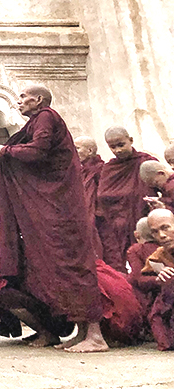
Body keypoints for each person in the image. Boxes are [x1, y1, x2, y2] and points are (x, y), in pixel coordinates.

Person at [0, 85, 106, 352]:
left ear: (39, 100)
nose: (19, 102)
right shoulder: (37, 120)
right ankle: (80, 334)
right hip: (54, 208)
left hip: (61, 209)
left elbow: (38, 151)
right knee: (56, 266)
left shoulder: (46, 116)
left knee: (72, 264)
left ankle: (96, 335)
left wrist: (7, 151)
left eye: (23, 97)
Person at [96, 127, 158, 273]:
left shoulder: (146, 162)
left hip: (144, 222)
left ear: (130, 140)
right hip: (118, 225)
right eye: (113, 147)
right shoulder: (109, 168)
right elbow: (102, 195)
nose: (117, 150)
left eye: (121, 145)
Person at [143, 208, 174, 349]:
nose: (162, 236)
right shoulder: (158, 256)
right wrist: (159, 275)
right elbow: (140, 278)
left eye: (165, 228)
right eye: (155, 232)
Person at [128, 216, 161, 316]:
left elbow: (138, 279)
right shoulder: (165, 247)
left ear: (136, 235)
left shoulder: (136, 250)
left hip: (147, 298)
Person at [76, 136, 104, 221]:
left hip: (99, 218)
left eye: (77, 148)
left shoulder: (101, 169)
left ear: (90, 151)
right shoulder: (80, 171)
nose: (74, 152)